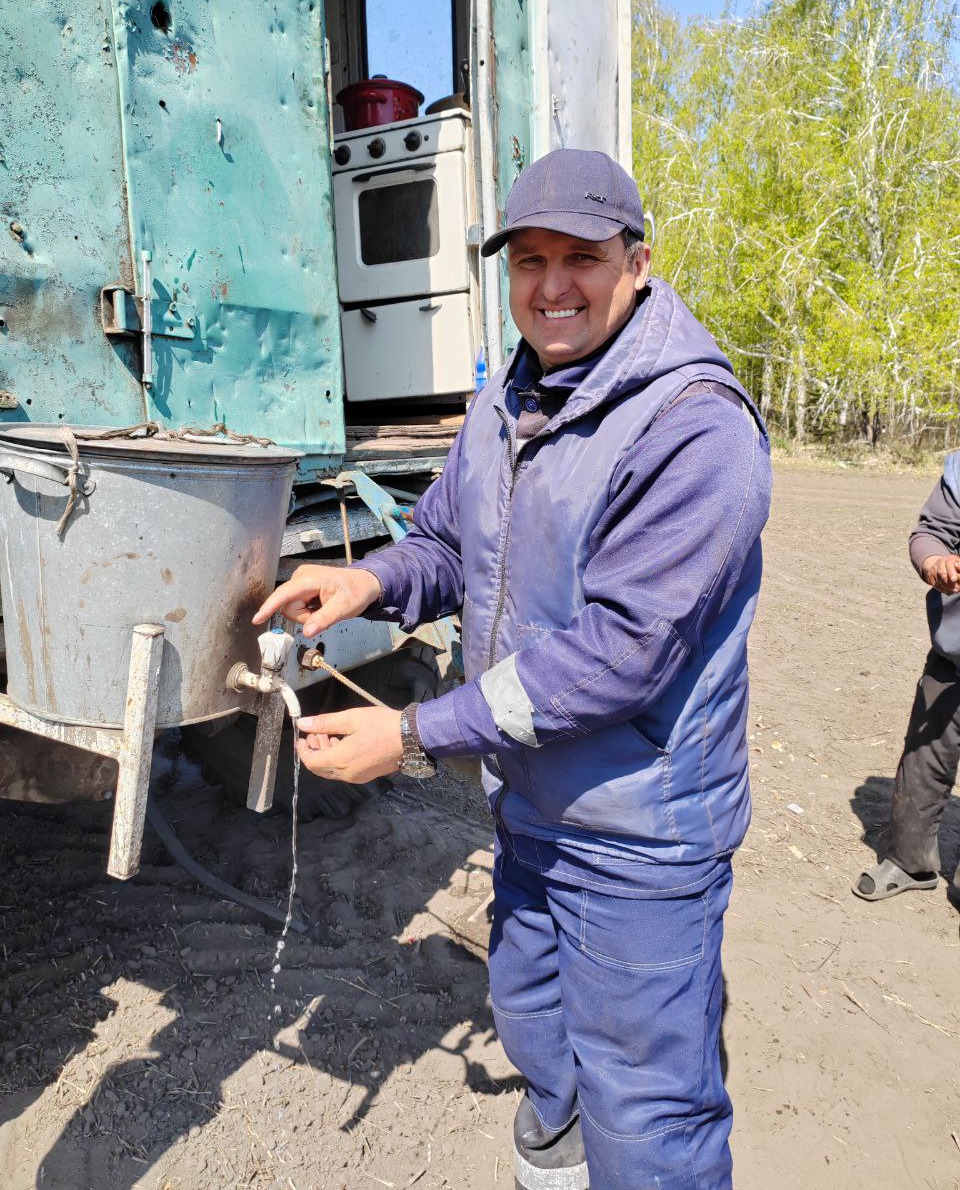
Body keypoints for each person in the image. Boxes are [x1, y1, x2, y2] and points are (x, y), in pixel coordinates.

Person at [254, 148, 772, 1190]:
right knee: (537, 1028)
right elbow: (449, 545)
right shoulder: (508, 401)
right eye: (529, 259)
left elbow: (621, 654)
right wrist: (368, 580)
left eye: (581, 256)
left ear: (638, 263)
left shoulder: (694, 427)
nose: (551, 285)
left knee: (647, 1108)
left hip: (638, 832)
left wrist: (412, 734)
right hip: (529, 805)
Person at [854, 457, 960, 907]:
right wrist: (934, 560)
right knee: (923, 760)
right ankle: (910, 861)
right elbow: (931, 531)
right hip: (953, 654)